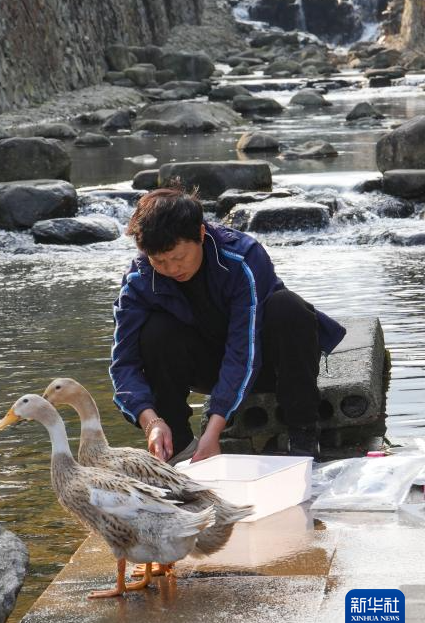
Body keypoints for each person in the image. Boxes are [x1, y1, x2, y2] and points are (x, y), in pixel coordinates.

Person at [110, 186, 346, 463]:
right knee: (156, 331)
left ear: (199, 234)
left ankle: (303, 435)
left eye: (178, 257)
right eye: (160, 261)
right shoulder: (139, 278)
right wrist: (151, 422)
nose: (172, 269)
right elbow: (123, 363)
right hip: (208, 366)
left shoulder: (242, 258)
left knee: (288, 307)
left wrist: (214, 431)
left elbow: (243, 350)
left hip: (270, 361)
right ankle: (180, 446)